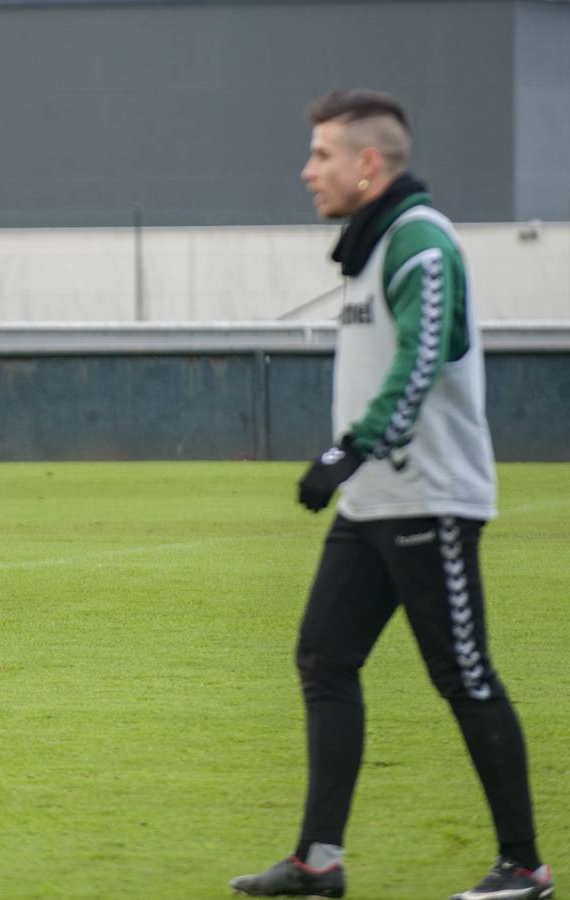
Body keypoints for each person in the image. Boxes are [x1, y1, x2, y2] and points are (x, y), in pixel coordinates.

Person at [231, 90, 554, 900]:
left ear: (367, 163)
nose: (308, 171)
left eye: (321, 155)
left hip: (430, 498)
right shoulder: (372, 246)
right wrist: (355, 468)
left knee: (463, 672)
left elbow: (424, 357)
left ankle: (524, 866)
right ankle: (319, 860)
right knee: (325, 658)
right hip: (374, 502)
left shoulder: (421, 240)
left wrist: (348, 449)